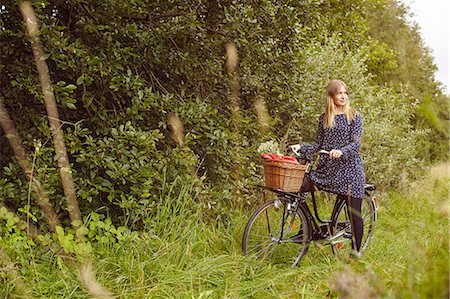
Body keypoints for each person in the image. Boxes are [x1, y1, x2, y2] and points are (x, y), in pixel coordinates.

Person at [290, 79, 365, 257]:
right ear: (331, 96)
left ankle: (355, 254)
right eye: (339, 93)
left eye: (345, 93)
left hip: (350, 171)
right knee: (299, 186)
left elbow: (356, 144)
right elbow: (319, 145)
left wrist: (341, 151)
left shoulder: (354, 116)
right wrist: (301, 146)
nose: (343, 96)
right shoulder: (324, 118)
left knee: (354, 213)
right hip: (328, 170)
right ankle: (307, 229)